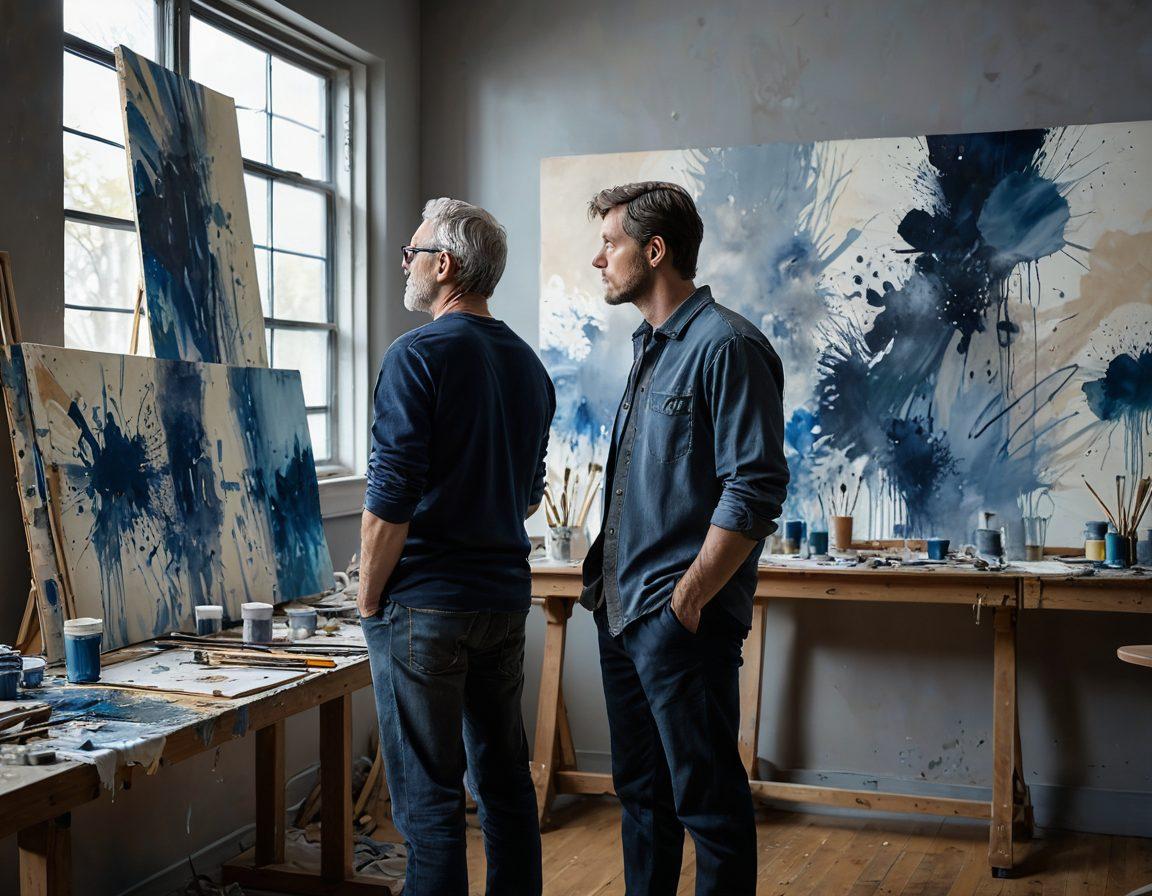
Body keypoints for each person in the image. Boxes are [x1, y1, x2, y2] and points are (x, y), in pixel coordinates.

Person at [581, 181, 790, 895]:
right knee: (642, 801)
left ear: (655, 250)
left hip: (679, 624)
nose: (599, 259)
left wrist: (689, 600)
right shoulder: (649, 347)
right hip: (621, 613)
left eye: (610, 244)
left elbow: (754, 488)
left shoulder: (728, 346)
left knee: (711, 809)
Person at [358, 197, 555, 896]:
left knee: (428, 800)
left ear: (444, 265)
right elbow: (527, 495)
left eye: (411, 253)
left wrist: (368, 601)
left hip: (426, 607)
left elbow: (389, 501)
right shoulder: (528, 366)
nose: (404, 265)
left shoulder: (416, 355)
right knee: (504, 785)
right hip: (502, 602)